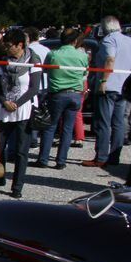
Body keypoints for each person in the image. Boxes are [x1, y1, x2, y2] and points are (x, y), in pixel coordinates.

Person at [0, 29, 41, 198]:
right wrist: (5, 101)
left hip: (23, 111)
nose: (6, 48)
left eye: (9, 45)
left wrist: (17, 104)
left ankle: (17, 187)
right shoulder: (4, 61)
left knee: (21, 151)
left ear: (19, 45)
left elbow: (34, 88)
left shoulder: (33, 60)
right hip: (5, 109)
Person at [84, 16, 131, 167]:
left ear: (105, 28)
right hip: (125, 86)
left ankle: (101, 157)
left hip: (109, 86)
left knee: (103, 122)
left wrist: (103, 81)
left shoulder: (109, 40)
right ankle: (115, 156)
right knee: (119, 123)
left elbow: (110, 59)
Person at [35, 28, 87, 169]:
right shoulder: (82, 56)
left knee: (50, 127)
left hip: (57, 94)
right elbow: (85, 74)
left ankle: (43, 159)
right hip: (75, 94)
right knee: (68, 129)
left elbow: (45, 70)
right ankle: (61, 161)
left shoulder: (53, 54)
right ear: (75, 41)